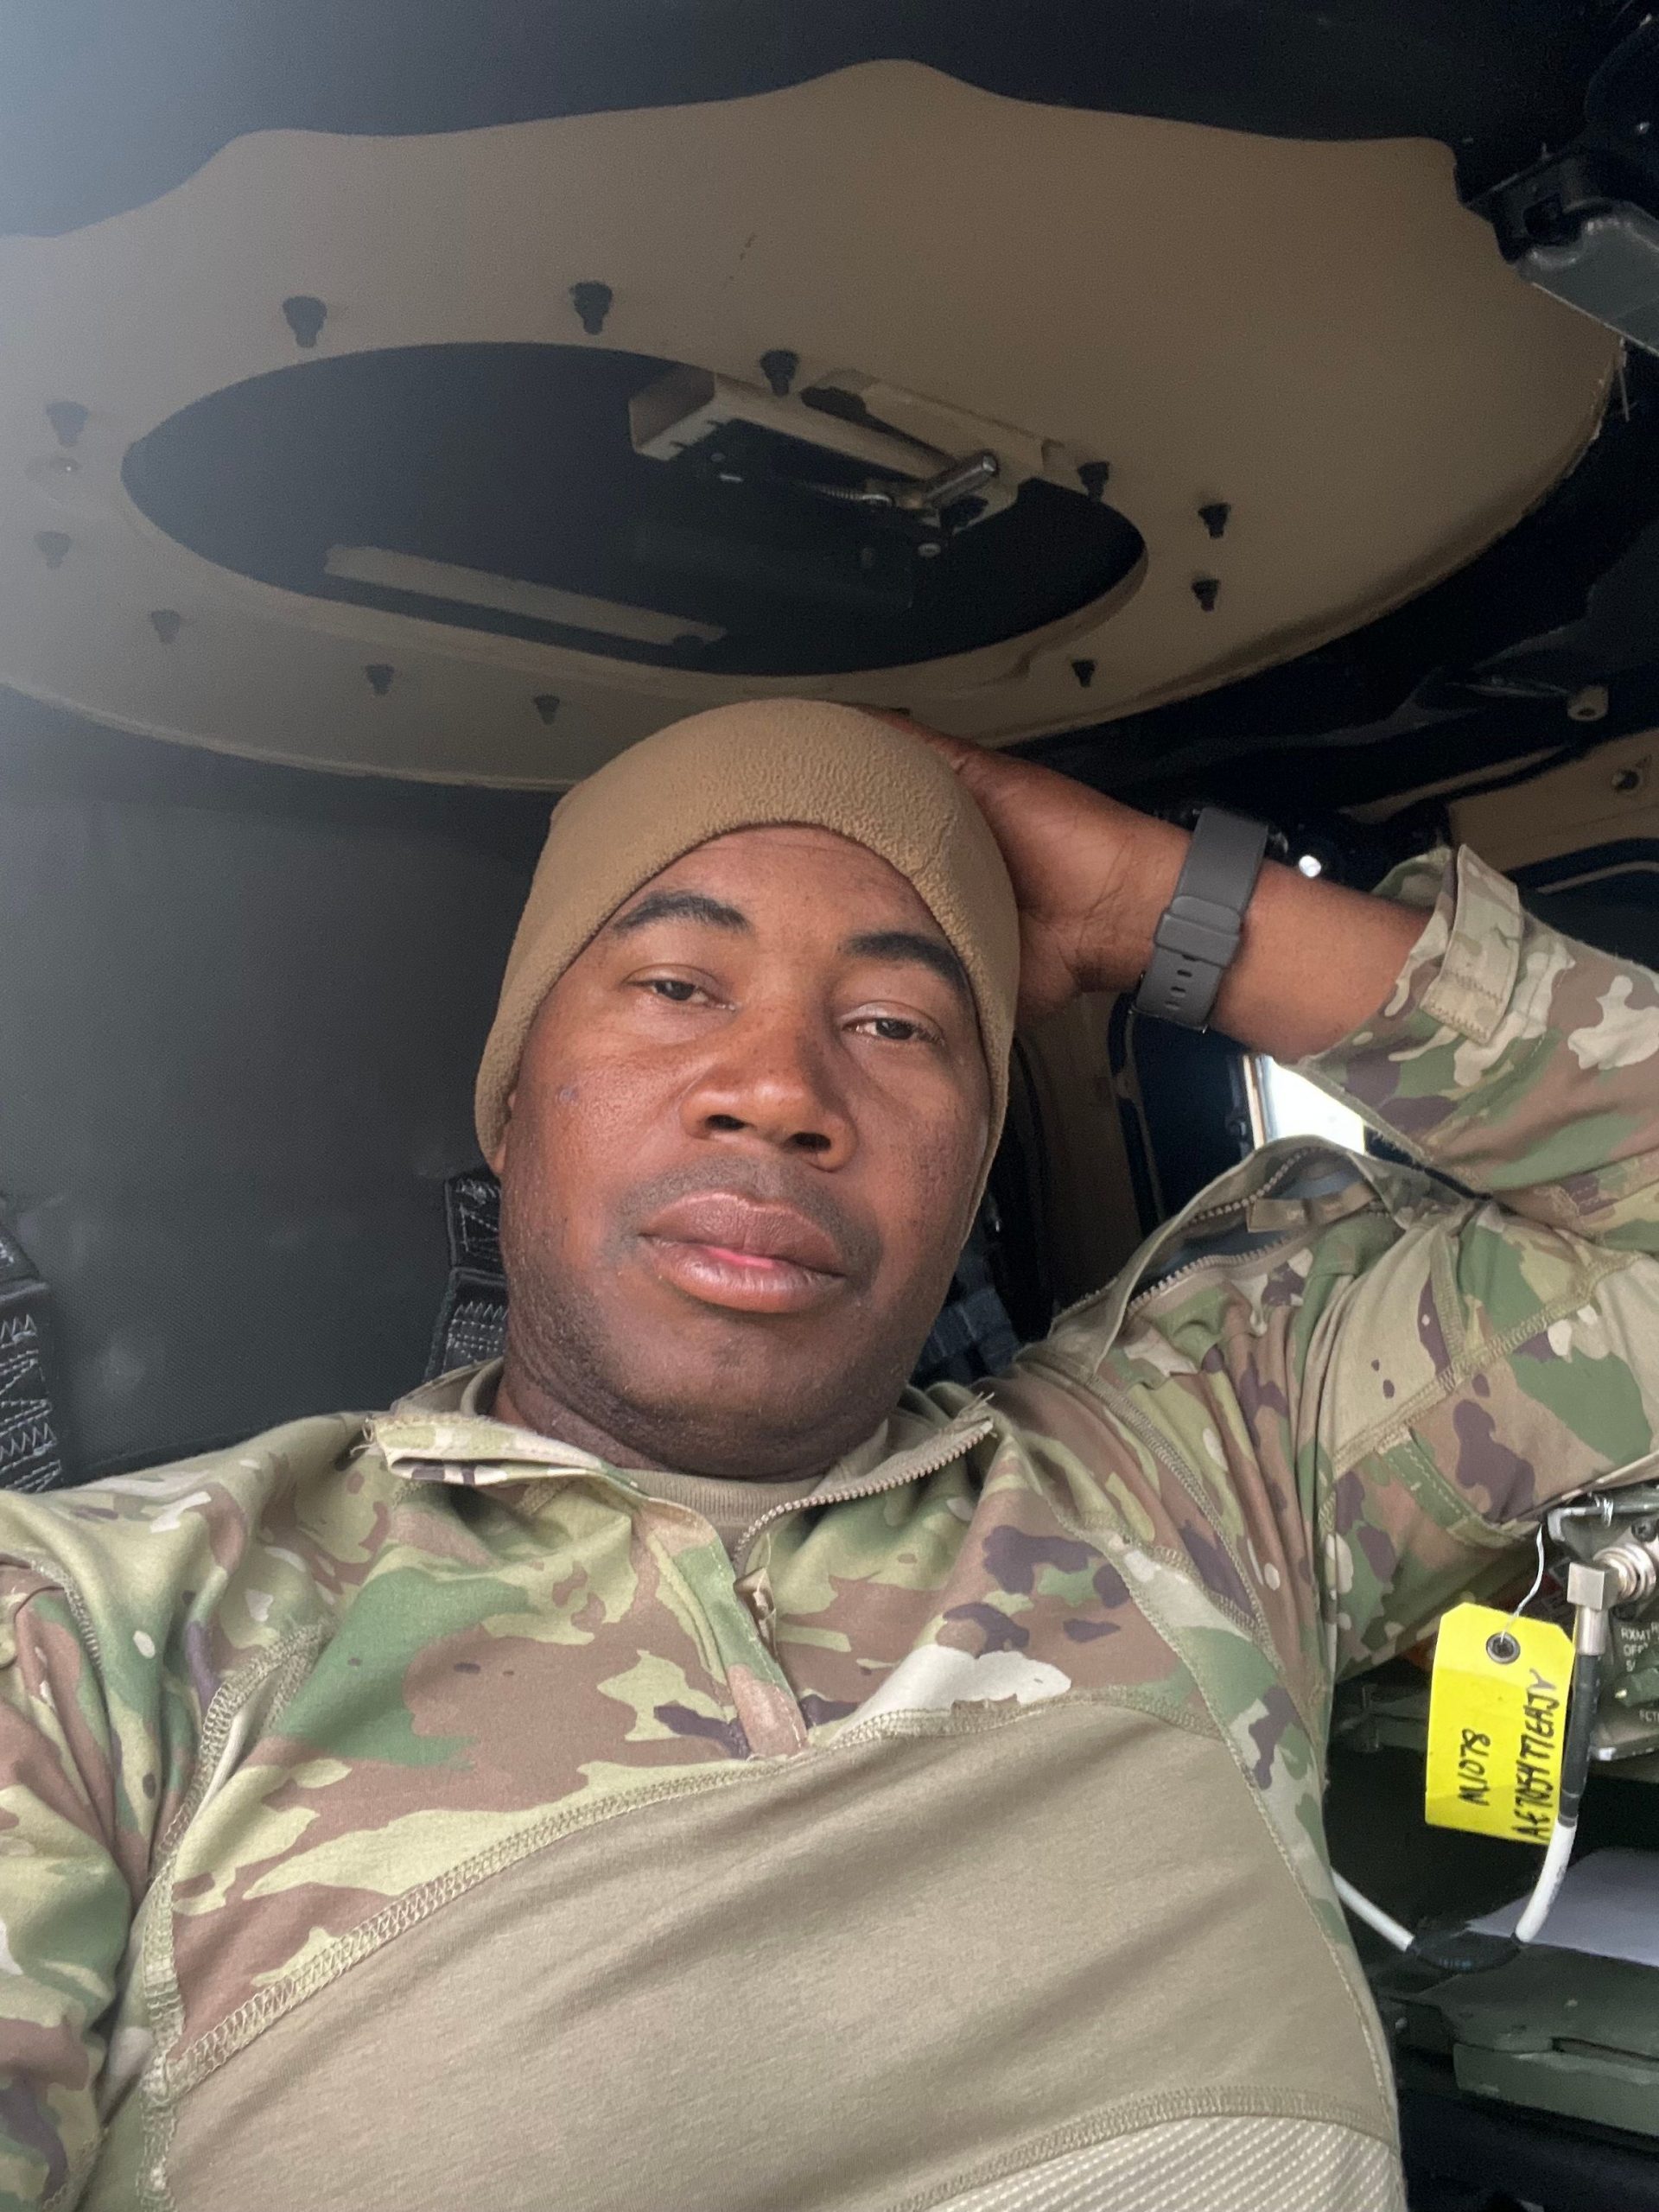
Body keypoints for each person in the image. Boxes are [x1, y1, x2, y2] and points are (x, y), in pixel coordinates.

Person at [2, 699, 1656, 2212]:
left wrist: (1159, 907)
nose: (780, 1091)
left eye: (894, 1023)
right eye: (677, 988)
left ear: (971, 1162)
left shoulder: (1194, 1470)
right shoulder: (94, 1631)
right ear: (513, 1099)